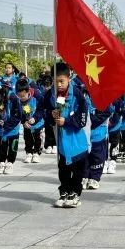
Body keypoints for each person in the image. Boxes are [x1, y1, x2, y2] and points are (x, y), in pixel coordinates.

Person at [48, 62, 88, 207]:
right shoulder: (51, 95)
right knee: (63, 170)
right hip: (62, 143)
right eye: (55, 81)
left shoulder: (78, 95)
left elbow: (82, 118)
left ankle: (75, 193)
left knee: (78, 171)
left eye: (61, 81)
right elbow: (46, 112)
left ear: (69, 78)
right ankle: (64, 192)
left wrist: (67, 121)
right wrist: (52, 115)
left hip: (77, 141)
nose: (58, 85)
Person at [0, 86, 22, 174]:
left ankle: (10, 163)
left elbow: (18, 115)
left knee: (13, 146)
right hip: (1, 128)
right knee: (1, 146)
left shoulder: (13, 98)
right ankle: (2, 162)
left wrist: (7, 124)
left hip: (13, 127)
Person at [86, 91, 113, 189]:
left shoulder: (104, 97)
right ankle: (85, 176)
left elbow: (108, 111)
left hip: (99, 134)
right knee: (84, 157)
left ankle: (94, 177)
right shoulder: (82, 94)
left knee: (97, 156)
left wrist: (90, 120)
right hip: (84, 134)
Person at [16, 79, 45, 163]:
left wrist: (35, 118)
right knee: (27, 138)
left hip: (37, 122)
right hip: (27, 124)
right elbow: (18, 113)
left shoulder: (36, 95)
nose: (21, 98)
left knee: (37, 138)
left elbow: (41, 109)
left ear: (28, 91)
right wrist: (23, 121)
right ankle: (29, 153)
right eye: (19, 96)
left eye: (23, 96)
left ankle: (36, 153)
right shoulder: (18, 100)